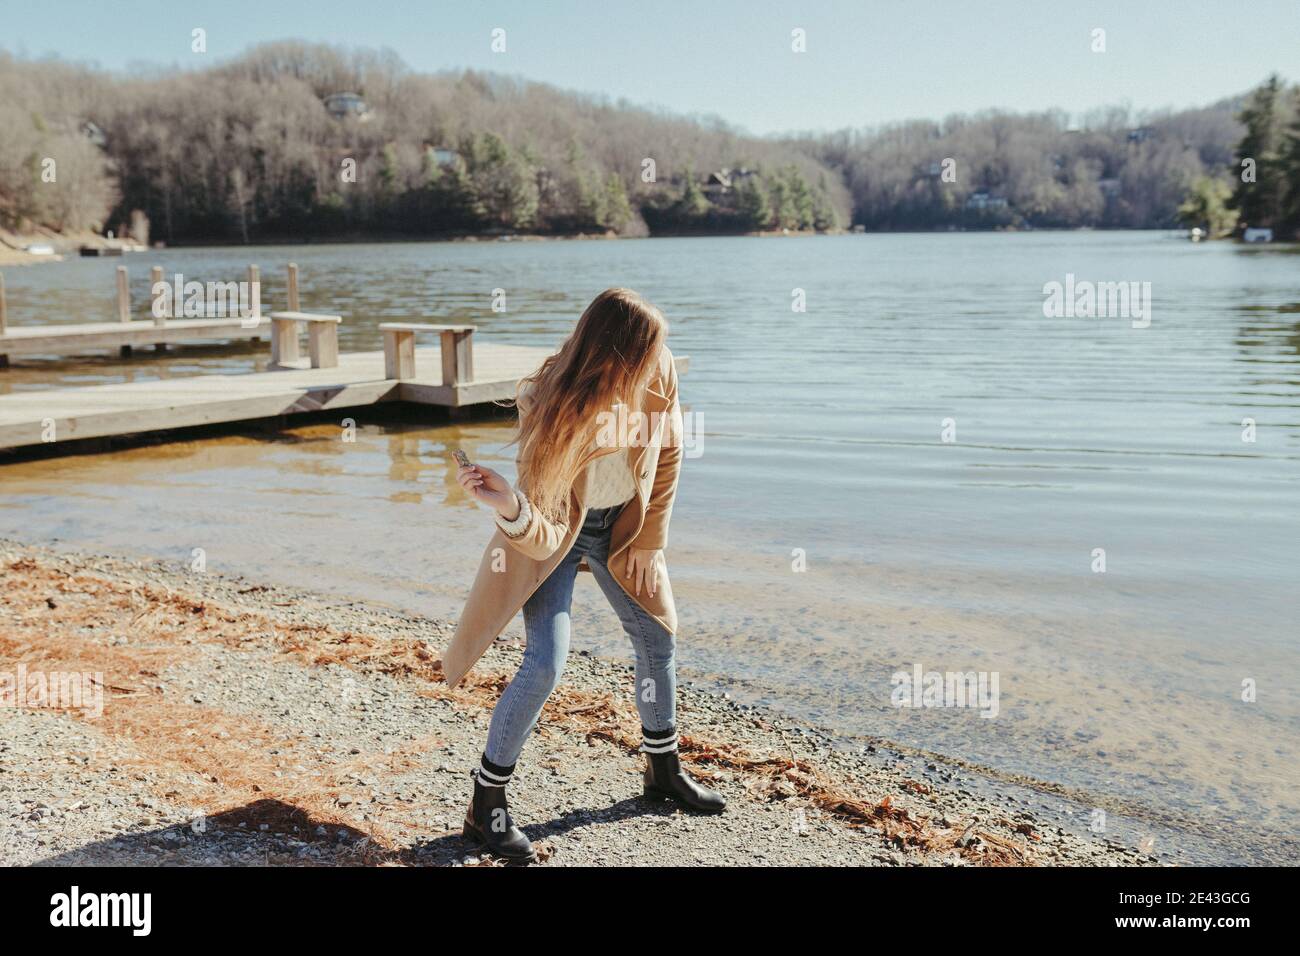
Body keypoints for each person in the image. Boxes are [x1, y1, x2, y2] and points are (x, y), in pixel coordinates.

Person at [443, 288, 724, 862]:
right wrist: (507, 507)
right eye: (645, 357)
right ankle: (485, 803)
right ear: (613, 356)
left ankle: (661, 770)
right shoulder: (545, 398)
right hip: (556, 531)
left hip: (624, 528)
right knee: (545, 661)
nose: (657, 367)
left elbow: (668, 452)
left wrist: (650, 538)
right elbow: (544, 528)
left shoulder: (658, 366)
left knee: (657, 636)